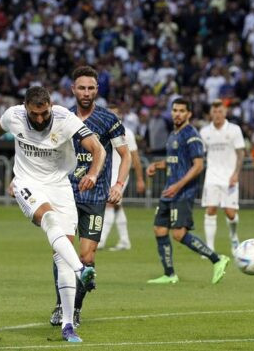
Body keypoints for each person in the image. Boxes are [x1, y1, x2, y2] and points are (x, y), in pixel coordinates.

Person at [0, 86, 105, 343]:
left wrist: (93, 174)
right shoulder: (14, 115)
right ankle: (81, 269)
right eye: (34, 114)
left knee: (61, 256)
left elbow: (98, 149)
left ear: (50, 106)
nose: (39, 119)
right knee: (49, 219)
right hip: (25, 183)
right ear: (25, 107)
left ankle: (67, 325)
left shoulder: (65, 119)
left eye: (43, 113)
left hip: (60, 187)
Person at [49, 66, 131, 329]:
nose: (86, 92)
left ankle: (76, 308)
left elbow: (125, 154)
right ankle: (62, 306)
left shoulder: (108, 120)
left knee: (87, 258)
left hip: (95, 196)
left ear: (97, 89)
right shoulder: (60, 117)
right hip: (65, 195)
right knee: (62, 254)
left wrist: (119, 184)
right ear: (73, 89)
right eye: (81, 88)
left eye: (91, 88)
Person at [146, 98, 230, 284]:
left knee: (178, 234)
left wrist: (178, 185)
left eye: (181, 111)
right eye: (175, 110)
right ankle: (170, 275)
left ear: (189, 114)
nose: (177, 113)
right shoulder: (174, 134)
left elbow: (198, 165)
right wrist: (157, 165)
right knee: (159, 229)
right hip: (170, 190)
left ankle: (217, 259)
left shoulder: (191, 135)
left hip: (182, 193)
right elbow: (174, 160)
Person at [98, 104, 146, 251]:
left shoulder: (127, 133)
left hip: (120, 174)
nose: (113, 116)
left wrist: (140, 178)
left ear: (120, 116)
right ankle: (125, 241)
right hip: (106, 174)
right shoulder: (100, 132)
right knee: (117, 207)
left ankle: (100, 241)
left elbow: (135, 157)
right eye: (110, 113)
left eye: (116, 114)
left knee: (110, 203)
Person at [200, 99, 245, 252]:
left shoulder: (234, 130)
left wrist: (236, 174)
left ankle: (233, 237)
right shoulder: (204, 132)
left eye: (220, 111)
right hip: (211, 177)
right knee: (210, 210)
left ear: (225, 112)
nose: (217, 115)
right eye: (214, 112)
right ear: (210, 114)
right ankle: (209, 248)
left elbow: (240, 153)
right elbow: (200, 154)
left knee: (230, 213)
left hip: (229, 177)